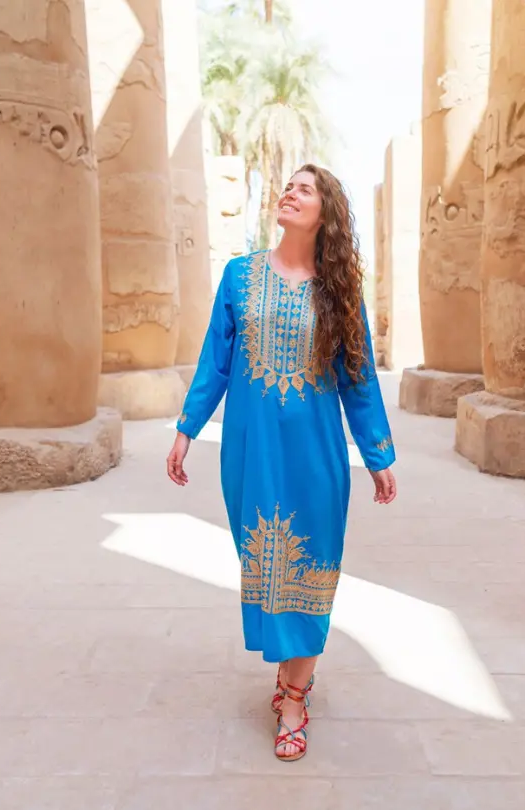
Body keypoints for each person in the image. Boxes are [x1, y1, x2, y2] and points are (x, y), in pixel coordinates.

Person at [165, 164, 398, 762]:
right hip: (252, 450)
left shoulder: (338, 291)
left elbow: (360, 377)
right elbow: (215, 361)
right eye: (287, 186)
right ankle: (290, 672)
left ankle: (295, 695)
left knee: (314, 567)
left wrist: (377, 454)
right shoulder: (240, 276)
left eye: (305, 189)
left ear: (325, 213)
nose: (290, 194)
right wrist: (187, 430)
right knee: (265, 561)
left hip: (317, 454)